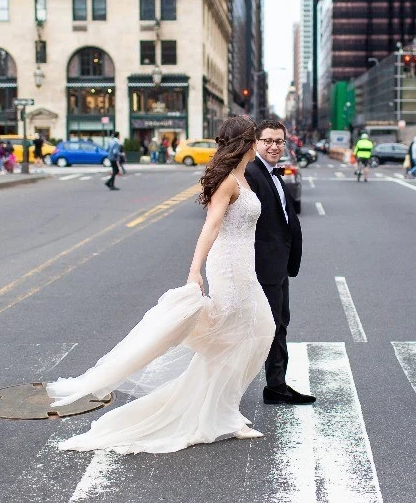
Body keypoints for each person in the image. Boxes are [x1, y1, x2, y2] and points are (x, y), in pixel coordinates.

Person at [46, 116, 277, 453]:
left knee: (258, 332)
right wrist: (194, 271)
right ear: (244, 142)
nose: (260, 145)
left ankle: (223, 409)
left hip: (244, 266)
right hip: (229, 268)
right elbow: (211, 226)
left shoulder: (245, 176)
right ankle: (221, 413)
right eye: (255, 139)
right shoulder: (228, 181)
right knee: (235, 339)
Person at [245, 119, 312, 406]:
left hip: (278, 263)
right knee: (268, 326)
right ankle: (272, 385)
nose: (274, 146)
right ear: (256, 143)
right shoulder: (251, 174)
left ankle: (276, 385)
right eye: (268, 141)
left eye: (279, 141)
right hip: (263, 265)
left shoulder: (272, 173)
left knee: (279, 323)